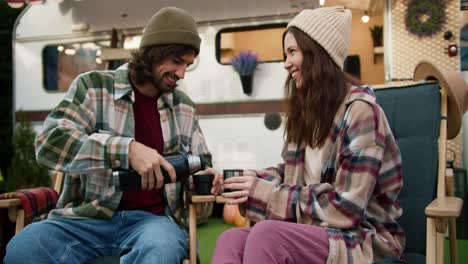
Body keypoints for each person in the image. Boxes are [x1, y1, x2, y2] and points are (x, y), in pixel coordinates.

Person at [5, 7, 221, 264]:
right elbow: (49, 143)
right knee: (24, 247)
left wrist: (207, 176)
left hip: (152, 223)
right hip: (86, 218)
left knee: (161, 250)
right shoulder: (94, 86)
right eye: (177, 61)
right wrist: (125, 149)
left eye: (188, 65)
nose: (182, 73)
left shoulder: (183, 106)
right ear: (153, 52)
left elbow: (202, 162)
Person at [212, 6, 405, 264]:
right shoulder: (307, 112)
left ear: (318, 53)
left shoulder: (361, 113)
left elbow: (345, 209)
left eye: (292, 52)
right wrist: (252, 180)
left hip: (363, 238)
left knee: (266, 234)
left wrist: (267, 193)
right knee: (230, 239)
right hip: (318, 230)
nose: (285, 63)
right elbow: (290, 172)